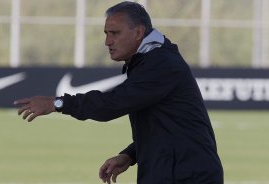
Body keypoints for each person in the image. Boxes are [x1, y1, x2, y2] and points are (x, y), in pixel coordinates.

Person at [14, 1, 223, 184]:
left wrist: (58, 103)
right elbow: (165, 128)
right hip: (173, 172)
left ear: (139, 32)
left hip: (187, 176)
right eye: (106, 34)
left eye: (115, 33)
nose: (107, 42)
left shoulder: (161, 63)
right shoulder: (150, 60)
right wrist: (130, 155)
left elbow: (110, 105)